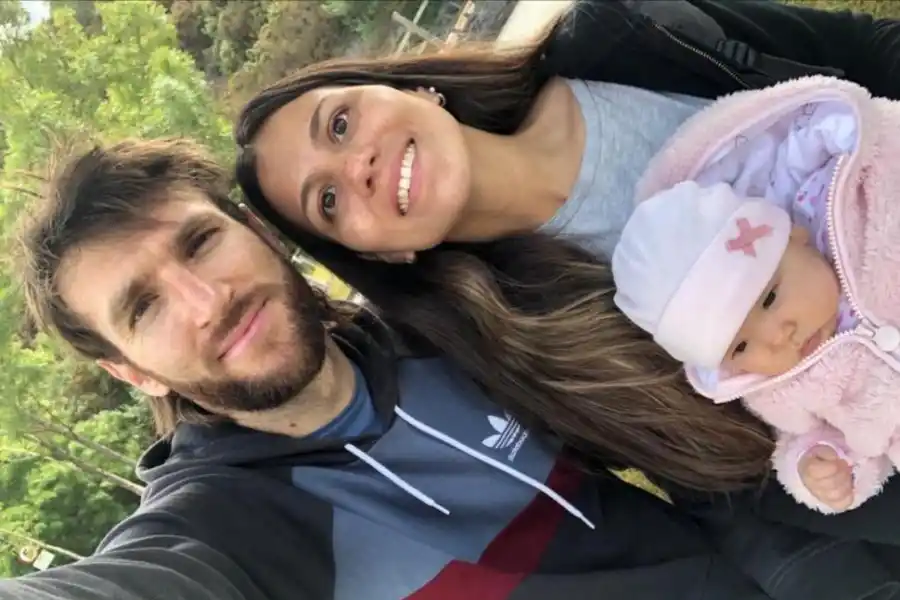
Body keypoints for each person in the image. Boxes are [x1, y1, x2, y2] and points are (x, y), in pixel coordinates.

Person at [7, 138, 899, 600]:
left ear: (258, 231)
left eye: (201, 242)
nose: (209, 301)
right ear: (133, 374)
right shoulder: (225, 531)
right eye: (145, 307)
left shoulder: (435, 320)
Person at [233, 0, 900, 545]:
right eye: (328, 201)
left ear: (412, 90)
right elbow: (739, 496)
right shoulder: (526, 354)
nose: (358, 168)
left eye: (341, 123)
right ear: (378, 255)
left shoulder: (622, 36)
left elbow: (862, 53)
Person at [611, 73, 900, 515]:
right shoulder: (785, 393)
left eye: (768, 298)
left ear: (796, 238)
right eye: (741, 346)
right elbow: (814, 442)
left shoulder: (862, 204)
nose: (776, 337)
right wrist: (823, 466)